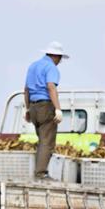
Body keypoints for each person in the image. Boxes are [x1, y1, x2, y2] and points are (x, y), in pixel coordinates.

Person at [24, 41, 68, 180]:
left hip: (33, 106)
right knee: (47, 142)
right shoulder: (51, 67)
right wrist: (58, 109)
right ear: (56, 56)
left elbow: (26, 90)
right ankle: (41, 173)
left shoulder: (33, 66)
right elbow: (51, 87)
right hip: (45, 105)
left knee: (41, 140)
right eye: (60, 58)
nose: (60, 61)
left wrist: (27, 109)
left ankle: (39, 171)